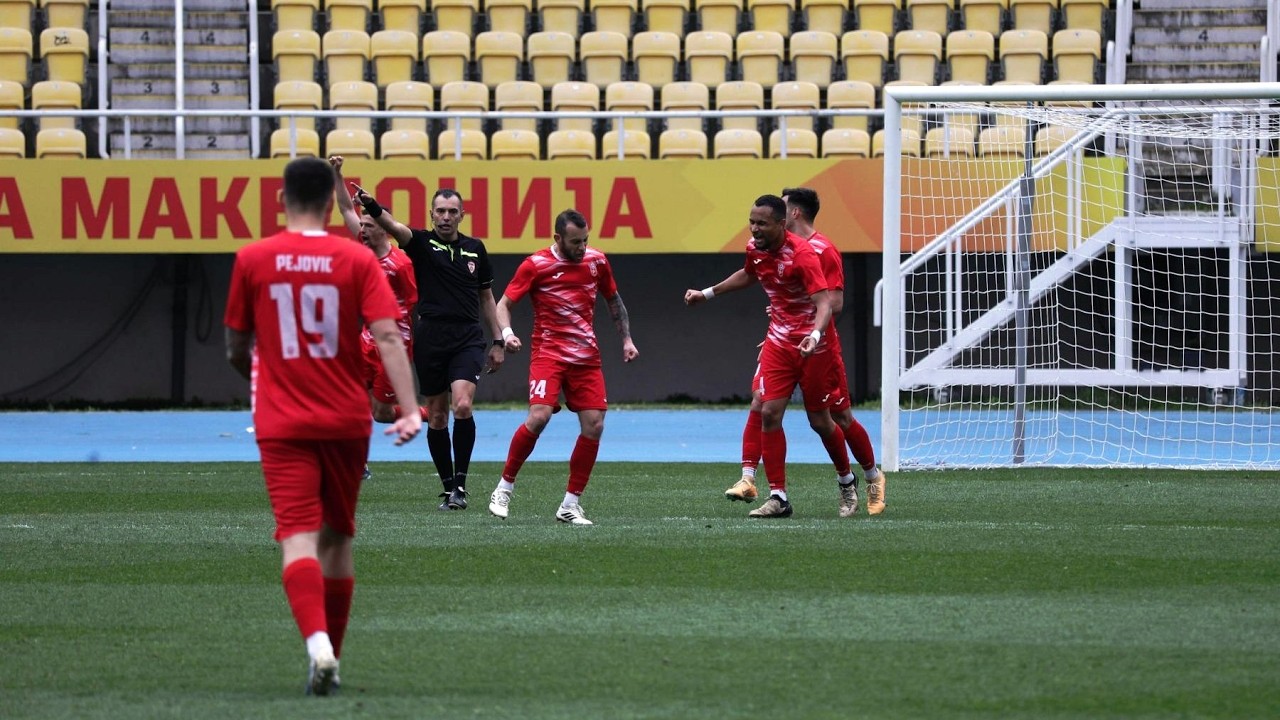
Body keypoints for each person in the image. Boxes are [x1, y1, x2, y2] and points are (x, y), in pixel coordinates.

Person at [223, 157, 422, 695]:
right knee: (338, 538)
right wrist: (407, 409)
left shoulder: (253, 259)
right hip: (344, 418)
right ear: (325, 201)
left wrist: (264, 375)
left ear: (284, 202)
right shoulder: (354, 259)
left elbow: (236, 348)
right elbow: (386, 335)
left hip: (281, 418)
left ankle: (316, 646)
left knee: (297, 537)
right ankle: (329, 660)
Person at [684, 194, 850, 518]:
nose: (755, 229)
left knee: (821, 421)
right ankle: (778, 496)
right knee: (768, 411)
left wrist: (815, 336)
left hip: (812, 345)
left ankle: (847, 479)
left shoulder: (803, 255)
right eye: (752, 222)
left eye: (762, 223)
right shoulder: (754, 248)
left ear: (781, 223)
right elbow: (749, 274)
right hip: (778, 341)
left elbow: (825, 303)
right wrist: (707, 294)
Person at [725, 187, 886, 516]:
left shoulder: (822, 250)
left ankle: (870, 478)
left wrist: (807, 329)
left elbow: (834, 303)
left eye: (781, 210)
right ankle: (761, 485)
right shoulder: (772, 250)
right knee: (763, 403)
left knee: (833, 418)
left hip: (820, 346)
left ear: (792, 214)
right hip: (783, 343)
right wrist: (781, 329)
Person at [351, 181, 505, 511]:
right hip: (431, 338)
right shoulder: (420, 243)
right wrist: (372, 205)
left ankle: (461, 486)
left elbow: (487, 297)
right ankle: (448, 487)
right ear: (431, 214)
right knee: (436, 416)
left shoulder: (475, 249)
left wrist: (498, 340)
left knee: (462, 406)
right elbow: (392, 226)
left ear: (462, 215)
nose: (446, 217)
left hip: (467, 337)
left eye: (452, 211)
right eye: (440, 211)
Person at [486, 209, 639, 526]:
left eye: (585, 240)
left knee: (594, 425)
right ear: (557, 238)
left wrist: (626, 339)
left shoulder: (596, 261)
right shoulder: (536, 265)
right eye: (575, 242)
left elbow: (614, 300)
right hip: (549, 353)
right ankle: (504, 488)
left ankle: (570, 504)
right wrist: (508, 335)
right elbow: (503, 305)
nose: (582, 247)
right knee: (539, 416)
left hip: (586, 357)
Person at [329, 157, 424, 467]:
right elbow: (345, 209)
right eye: (364, 226)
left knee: (381, 413)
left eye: (369, 226)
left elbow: (411, 306)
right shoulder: (364, 247)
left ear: (385, 231)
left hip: (392, 344)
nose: (363, 230)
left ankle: (428, 413)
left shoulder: (401, 265)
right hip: (366, 338)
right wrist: (336, 174)